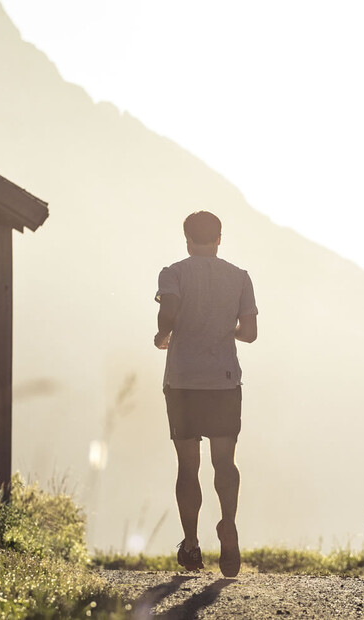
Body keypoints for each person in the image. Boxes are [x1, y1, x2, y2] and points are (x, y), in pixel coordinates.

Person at [154, 211, 258, 577]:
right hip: (224, 381)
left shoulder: (174, 273)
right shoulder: (239, 277)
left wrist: (162, 336)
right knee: (224, 463)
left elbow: (168, 312)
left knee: (188, 465)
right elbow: (249, 333)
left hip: (183, 382)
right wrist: (222, 326)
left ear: (187, 239)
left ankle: (192, 544)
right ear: (219, 239)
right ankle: (227, 523)